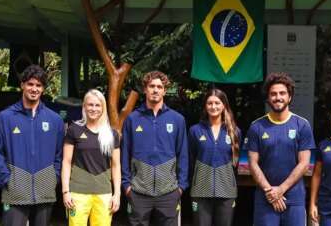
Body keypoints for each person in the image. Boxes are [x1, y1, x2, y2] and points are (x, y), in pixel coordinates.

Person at [0, 65, 65, 226]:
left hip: (45, 189)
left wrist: (54, 178)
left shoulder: (55, 120)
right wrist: (5, 179)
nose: (34, 89)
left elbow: (60, 154)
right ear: (22, 85)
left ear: (43, 89)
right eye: (30, 84)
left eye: (38, 85)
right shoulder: (5, 118)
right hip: (15, 190)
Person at [245, 72, 315, 226]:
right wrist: (270, 192)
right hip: (265, 199)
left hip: (294, 200)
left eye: (282, 93)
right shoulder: (256, 127)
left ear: (289, 97)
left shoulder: (302, 125)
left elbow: (304, 164)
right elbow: (252, 163)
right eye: (273, 94)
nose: (278, 97)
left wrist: (281, 190)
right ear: (268, 98)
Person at [121, 71, 189, 226]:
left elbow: (183, 154)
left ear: (165, 90)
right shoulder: (132, 119)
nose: (155, 90)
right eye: (152, 86)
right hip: (138, 191)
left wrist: (181, 187)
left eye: (159, 86)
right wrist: (126, 186)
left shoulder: (177, 119)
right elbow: (125, 153)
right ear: (145, 89)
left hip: (169, 192)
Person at [61, 89, 121, 226]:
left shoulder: (112, 134)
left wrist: (117, 194)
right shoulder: (74, 130)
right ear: (84, 106)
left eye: (97, 105)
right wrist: (65, 191)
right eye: (90, 105)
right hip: (77, 193)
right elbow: (66, 162)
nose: (94, 109)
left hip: (104, 193)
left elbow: (116, 165)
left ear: (103, 108)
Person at [189, 88, 240, 226]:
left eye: (217, 103)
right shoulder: (195, 130)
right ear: (205, 106)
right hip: (200, 190)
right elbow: (190, 160)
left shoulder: (234, 131)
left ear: (224, 105)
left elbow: (236, 163)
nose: (213, 106)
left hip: (227, 191)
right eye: (209, 103)